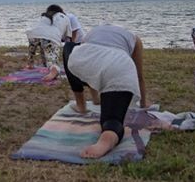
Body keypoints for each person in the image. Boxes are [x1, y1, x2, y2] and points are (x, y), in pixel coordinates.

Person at [63, 24, 149, 159]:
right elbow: (140, 76)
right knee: (112, 120)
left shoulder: (93, 32)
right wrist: (143, 103)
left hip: (82, 61)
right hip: (118, 67)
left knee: (69, 48)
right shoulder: (135, 39)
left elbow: (92, 58)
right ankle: (107, 138)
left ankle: (82, 105)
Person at [25, 4, 72, 81]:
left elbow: (41, 30)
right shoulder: (65, 18)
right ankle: (54, 70)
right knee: (51, 56)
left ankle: (30, 64)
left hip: (33, 34)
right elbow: (68, 38)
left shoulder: (45, 16)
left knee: (35, 47)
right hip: (52, 37)